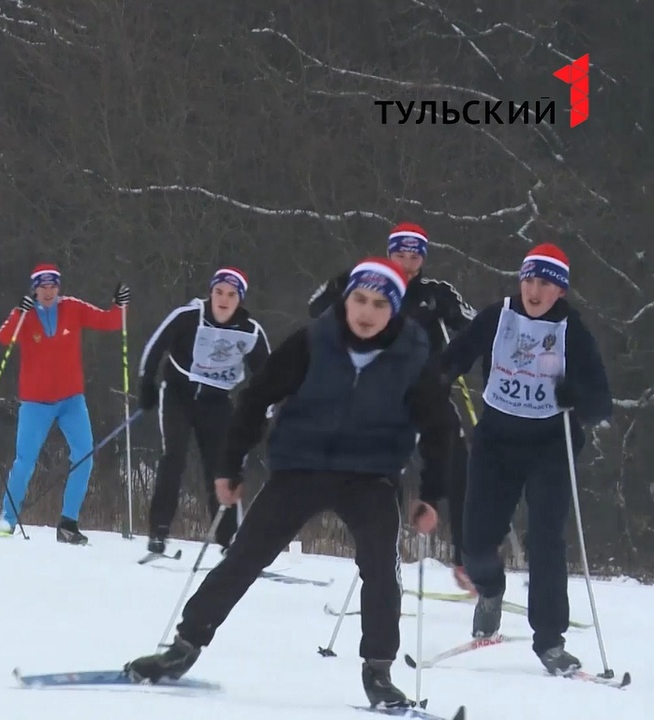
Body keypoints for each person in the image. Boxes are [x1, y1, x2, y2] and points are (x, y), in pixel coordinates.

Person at [124, 258, 456, 709]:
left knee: (380, 569)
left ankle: (378, 670)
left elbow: (439, 429)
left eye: (379, 304)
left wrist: (433, 494)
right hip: (300, 466)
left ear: (394, 311)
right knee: (244, 555)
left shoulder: (414, 356)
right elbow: (258, 395)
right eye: (359, 299)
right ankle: (184, 646)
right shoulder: (314, 340)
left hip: (371, 475)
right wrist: (230, 465)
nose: (366, 311)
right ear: (346, 299)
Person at [438, 243, 611, 674]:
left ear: (561, 292)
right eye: (529, 280)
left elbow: (600, 404)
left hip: (550, 448)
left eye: (546, 284)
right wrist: (430, 383)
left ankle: (550, 641)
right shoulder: (498, 317)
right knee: (476, 543)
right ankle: (491, 590)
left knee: (545, 540)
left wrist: (579, 398)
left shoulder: (574, 330)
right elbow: (453, 358)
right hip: (497, 443)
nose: (534, 291)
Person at [309, 222, 477, 590]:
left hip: (428, 392)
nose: (406, 261)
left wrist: (455, 360)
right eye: (400, 253)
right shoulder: (368, 285)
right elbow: (316, 307)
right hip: (377, 394)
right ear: (389, 253)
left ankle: (466, 559)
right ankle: (385, 563)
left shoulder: (434, 292)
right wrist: (347, 289)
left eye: (414, 254)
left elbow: (476, 326)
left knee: (457, 459)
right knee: (382, 475)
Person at [137, 267, 270, 553]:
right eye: (219, 292)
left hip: (216, 401)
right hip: (178, 395)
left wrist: (265, 412)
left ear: (240, 299)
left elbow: (268, 375)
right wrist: (146, 382)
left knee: (223, 466)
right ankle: (159, 531)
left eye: (231, 294)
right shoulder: (188, 316)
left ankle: (229, 539)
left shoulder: (250, 331)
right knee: (174, 456)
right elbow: (155, 345)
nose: (223, 299)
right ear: (210, 293)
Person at [0, 263, 130, 544]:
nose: (48, 291)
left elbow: (110, 322)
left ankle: (68, 523)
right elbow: (3, 337)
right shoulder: (26, 312)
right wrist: (19, 313)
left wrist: (119, 306)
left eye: (53, 285)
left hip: (71, 399)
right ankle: (7, 518)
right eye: (43, 286)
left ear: (59, 287)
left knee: (84, 454)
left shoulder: (72, 307)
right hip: (35, 402)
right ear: (35, 288)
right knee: (25, 461)